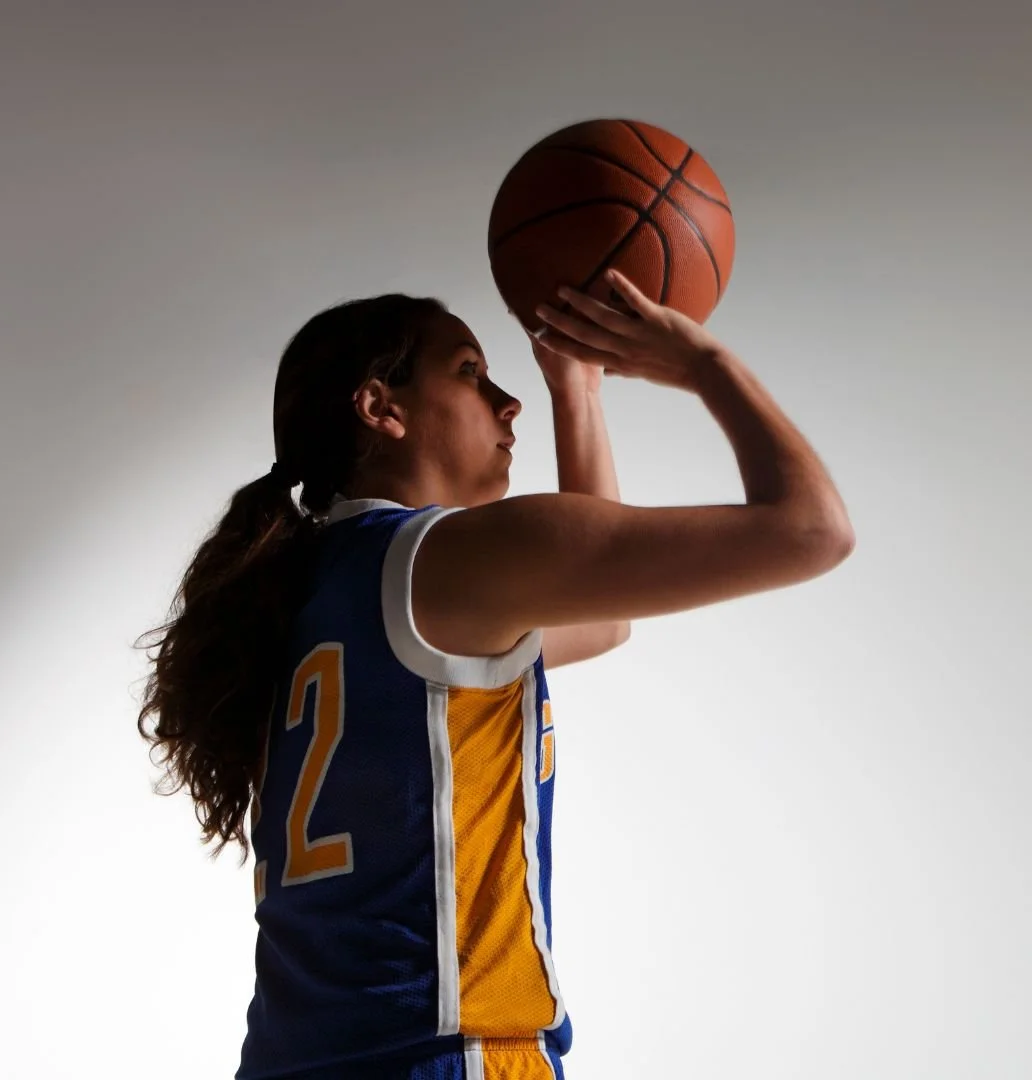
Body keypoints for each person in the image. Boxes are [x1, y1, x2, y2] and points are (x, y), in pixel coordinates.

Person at [136, 268, 854, 1079]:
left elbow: (603, 621)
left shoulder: (296, 589)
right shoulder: (454, 558)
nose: (508, 403)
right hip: (444, 1055)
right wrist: (699, 363)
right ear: (381, 408)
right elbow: (811, 530)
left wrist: (573, 388)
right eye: (471, 373)